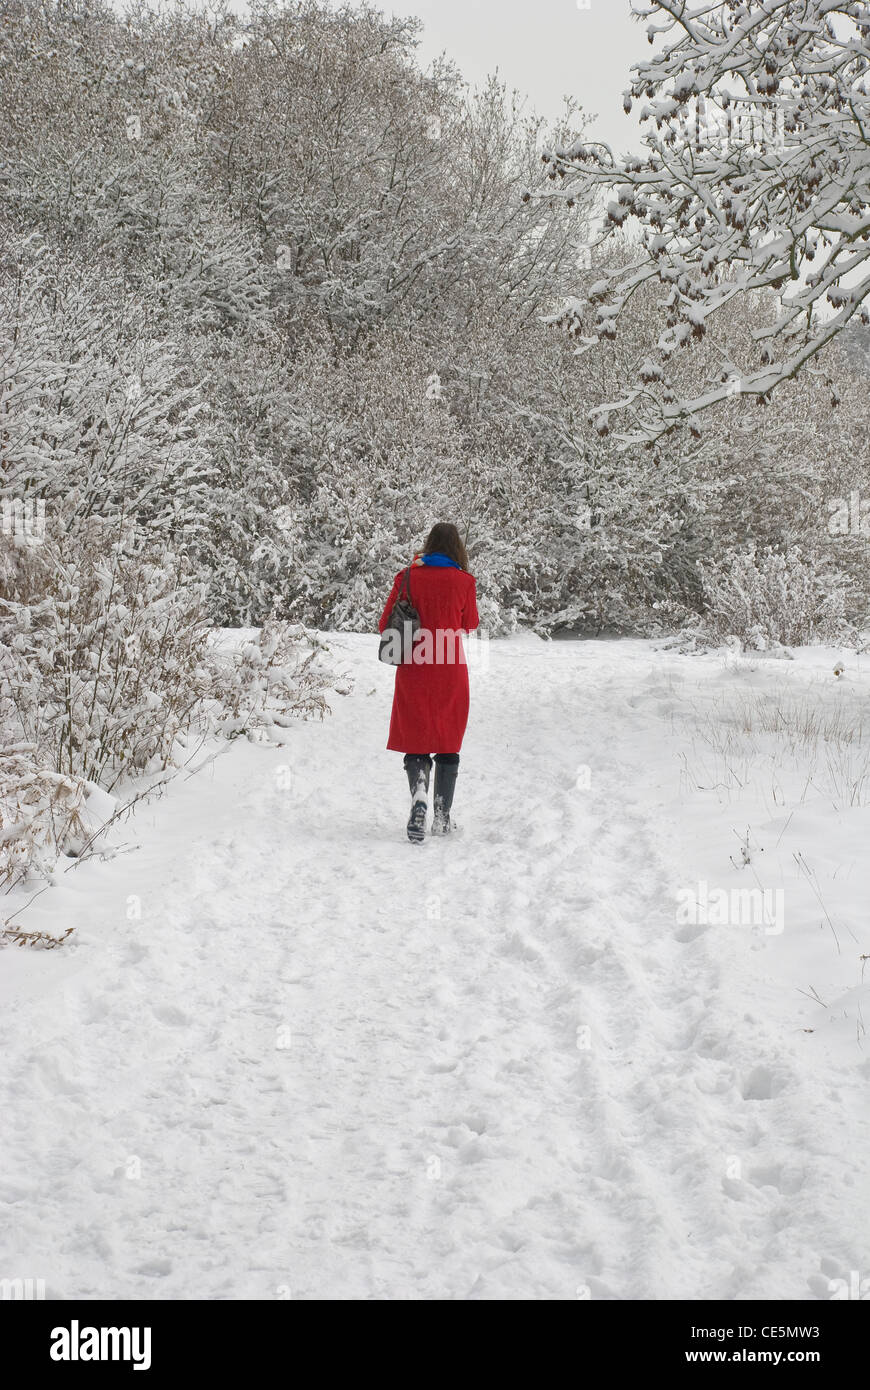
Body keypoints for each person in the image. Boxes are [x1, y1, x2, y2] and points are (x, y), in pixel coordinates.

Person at [378, 522, 479, 842]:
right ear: (456, 549)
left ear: (429, 544)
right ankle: (442, 816)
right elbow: (470, 622)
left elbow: (385, 623)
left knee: (417, 741)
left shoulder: (406, 577)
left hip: (414, 668)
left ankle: (419, 790)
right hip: (449, 668)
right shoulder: (464, 581)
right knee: (448, 744)